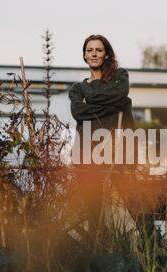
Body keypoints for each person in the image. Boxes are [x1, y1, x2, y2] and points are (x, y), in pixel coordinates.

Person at [68, 34, 136, 242]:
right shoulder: (78, 89)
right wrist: (113, 104)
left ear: (106, 54)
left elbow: (121, 95)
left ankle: (130, 261)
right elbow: (79, 113)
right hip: (87, 155)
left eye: (98, 49)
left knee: (124, 213)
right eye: (90, 50)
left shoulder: (120, 76)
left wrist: (92, 102)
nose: (94, 53)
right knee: (92, 214)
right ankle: (94, 259)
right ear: (84, 55)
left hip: (117, 152)